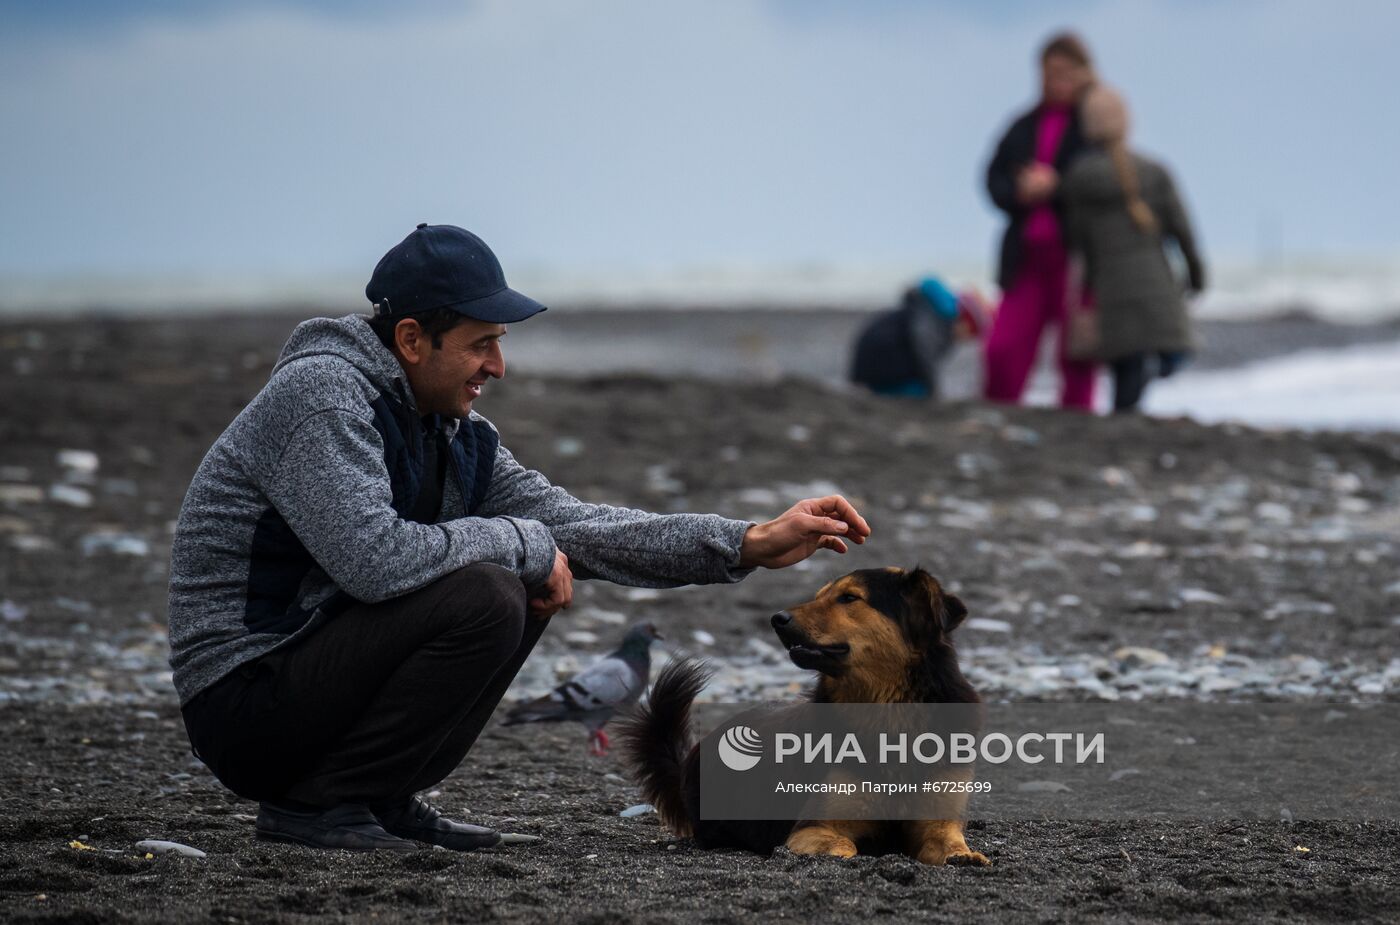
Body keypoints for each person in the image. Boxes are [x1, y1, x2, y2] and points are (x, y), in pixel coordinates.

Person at [167, 223, 871, 852]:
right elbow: (373, 561)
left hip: (309, 685)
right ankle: (317, 803)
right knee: (489, 588)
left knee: (516, 570)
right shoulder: (323, 396)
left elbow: (577, 527)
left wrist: (748, 540)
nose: (497, 367)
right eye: (481, 344)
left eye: (498, 345)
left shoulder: (452, 434)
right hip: (245, 699)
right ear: (412, 339)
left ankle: (377, 796)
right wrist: (522, 543)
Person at [1061, 85, 1206, 412]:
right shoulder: (1155, 172)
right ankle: (1143, 388)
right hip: (1156, 283)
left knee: (1124, 367)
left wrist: (1086, 289)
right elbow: (1183, 232)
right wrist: (1196, 277)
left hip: (1110, 289)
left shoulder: (1077, 180)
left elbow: (1077, 241)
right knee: (1175, 351)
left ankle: (1126, 412)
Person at [982, 31, 1098, 410]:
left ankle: (1077, 421)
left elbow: (1103, 181)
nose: (1056, 81)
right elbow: (992, 178)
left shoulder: (1093, 127)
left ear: (1083, 74)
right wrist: (1020, 190)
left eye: (1065, 72)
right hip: (1026, 257)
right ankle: (1000, 412)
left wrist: (1057, 186)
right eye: (1049, 72)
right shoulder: (1023, 125)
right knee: (1003, 349)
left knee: (1077, 356)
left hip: (1074, 257)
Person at [849, 276, 989, 400]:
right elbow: (924, 354)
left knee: (919, 387)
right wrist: (933, 390)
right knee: (918, 392)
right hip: (878, 360)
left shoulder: (929, 313)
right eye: (969, 333)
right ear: (964, 322)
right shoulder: (936, 323)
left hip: (875, 361)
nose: (965, 340)